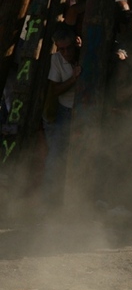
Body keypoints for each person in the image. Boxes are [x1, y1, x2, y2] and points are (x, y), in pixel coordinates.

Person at [41, 24, 82, 208]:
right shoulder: (56, 60)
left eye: (69, 48)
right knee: (56, 156)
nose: (65, 52)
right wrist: (73, 79)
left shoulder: (86, 53)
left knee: (82, 155)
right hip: (63, 112)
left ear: (77, 42)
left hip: (82, 111)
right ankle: (49, 203)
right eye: (61, 49)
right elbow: (55, 89)